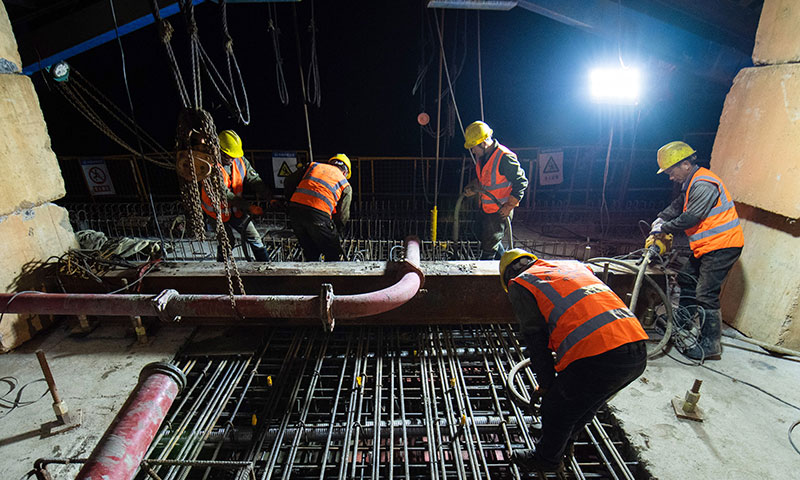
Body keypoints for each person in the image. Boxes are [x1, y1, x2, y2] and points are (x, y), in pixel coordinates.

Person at [499, 248, 648, 474]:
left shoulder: (520, 283)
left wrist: (547, 384)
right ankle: (562, 441)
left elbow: (535, 337)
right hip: (636, 350)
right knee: (583, 405)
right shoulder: (572, 266)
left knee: (555, 408)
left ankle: (547, 458)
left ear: (508, 276)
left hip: (599, 354)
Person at [648, 141, 743, 360]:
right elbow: (680, 205)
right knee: (687, 278)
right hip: (708, 246)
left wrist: (665, 228)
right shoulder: (691, 184)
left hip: (723, 245)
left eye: (671, 171)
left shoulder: (703, 183)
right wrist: (661, 217)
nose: (671, 177)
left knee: (706, 293)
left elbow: (691, 216)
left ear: (685, 164)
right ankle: (683, 321)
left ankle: (710, 346)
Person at [200, 130, 270, 262]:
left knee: (254, 237)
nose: (232, 160)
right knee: (227, 242)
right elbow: (224, 194)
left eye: (233, 157)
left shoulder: (239, 161)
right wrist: (249, 207)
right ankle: (222, 269)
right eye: (228, 157)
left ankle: (267, 267)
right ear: (218, 151)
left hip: (236, 211)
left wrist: (268, 196)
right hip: (217, 213)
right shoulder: (209, 167)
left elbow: (254, 180)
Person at [462, 121, 528, 260]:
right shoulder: (485, 157)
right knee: (488, 239)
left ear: (483, 143)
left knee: (489, 246)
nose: (473, 151)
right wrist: (474, 188)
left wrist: (509, 205)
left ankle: (486, 275)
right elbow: (485, 182)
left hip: (500, 210)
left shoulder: (504, 157)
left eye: (474, 147)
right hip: (487, 208)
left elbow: (521, 182)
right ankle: (504, 262)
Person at [288, 154, 353, 261]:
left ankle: (310, 277)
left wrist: (290, 201)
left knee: (310, 251)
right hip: (318, 215)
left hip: (295, 211)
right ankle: (329, 277)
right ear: (345, 172)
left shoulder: (313, 166)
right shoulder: (345, 184)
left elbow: (289, 181)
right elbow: (342, 215)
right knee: (332, 254)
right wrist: (336, 231)